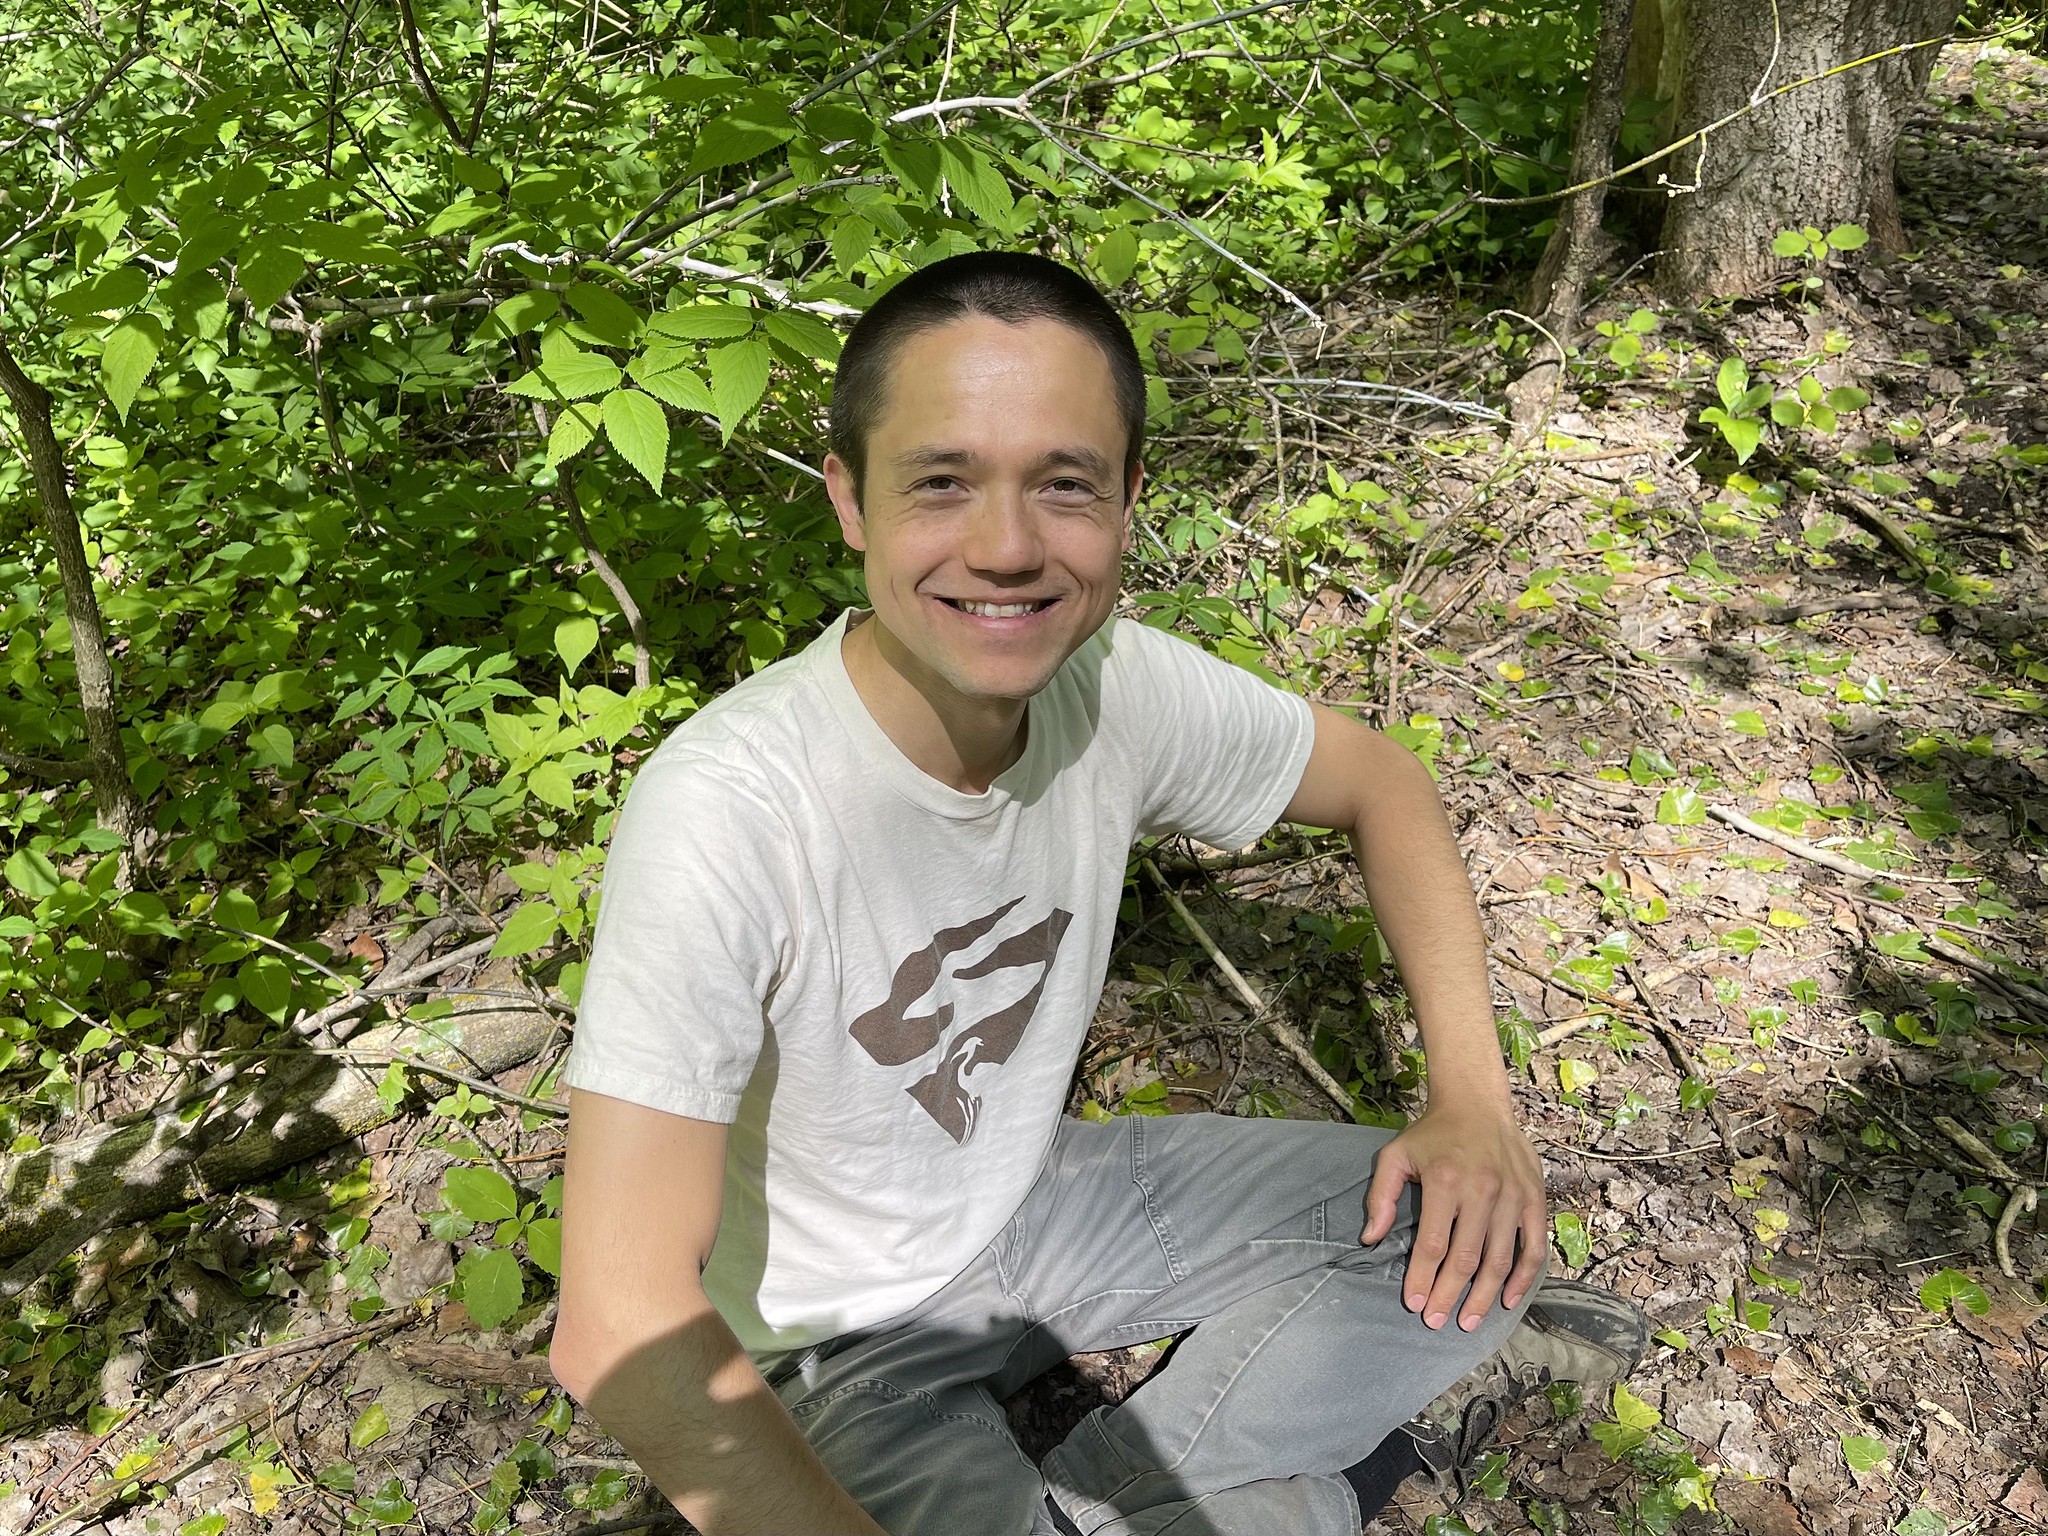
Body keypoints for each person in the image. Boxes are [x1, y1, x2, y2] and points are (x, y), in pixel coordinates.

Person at [547, 250, 1648, 1536]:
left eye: (1061, 485)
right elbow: (616, 1321)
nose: (1005, 548)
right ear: (849, 499)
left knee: (1460, 1233)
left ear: (1127, 499)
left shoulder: (1111, 684)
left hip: (1038, 1199)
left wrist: (1471, 1097)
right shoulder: (732, 807)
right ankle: (1326, 1485)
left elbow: (1384, 786)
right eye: (940, 482)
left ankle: (1116, 1500)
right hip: (832, 1341)